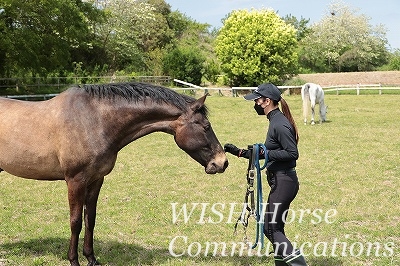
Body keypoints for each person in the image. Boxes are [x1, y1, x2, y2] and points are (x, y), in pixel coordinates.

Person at [224, 83, 307, 266]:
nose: (255, 104)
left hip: (284, 182)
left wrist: (266, 154)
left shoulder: (279, 123)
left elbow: (292, 153)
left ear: (267, 101)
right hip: (282, 181)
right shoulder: (275, 121)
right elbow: (264, 152)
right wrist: (238, 152)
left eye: (257, 100)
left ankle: (300, 265)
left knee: (270, 228)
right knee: (276, 228)